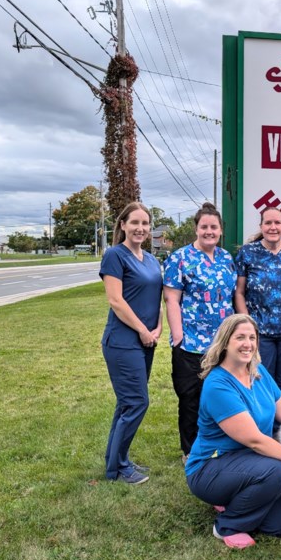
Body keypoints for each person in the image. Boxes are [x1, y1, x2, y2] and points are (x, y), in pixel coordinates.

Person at [185, 314, 281, 549]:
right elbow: (255, 441)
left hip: (249, 461)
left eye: (252, 337)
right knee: (276, 471)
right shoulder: (218, 385)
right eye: (240, 337)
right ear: (225, 342)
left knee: (278, 527)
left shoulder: (258, 371)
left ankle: (233, 498)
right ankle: (227, 524)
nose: (248, 344)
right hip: (210, 467)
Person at [164, 203, 236, 461]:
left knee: (221, 396)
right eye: (204, 227)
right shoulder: (180, 258)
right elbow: (172, 299)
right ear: (196, 229)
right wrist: (178, 336)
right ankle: (191, 450)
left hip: (223, 343)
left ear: (220, 231)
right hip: (191, 343)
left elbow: (232, 296)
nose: (209, 231)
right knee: (191, 398)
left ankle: (221, 444)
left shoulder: (227, 258)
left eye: (213, 227)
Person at [99, 202, 163, 484]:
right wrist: (141, 330)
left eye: (145, 224)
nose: (140, 228)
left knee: (126, 403)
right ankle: (120, 467)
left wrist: (159, 326)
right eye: (134, 222)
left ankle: (115, 462)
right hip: (123, 340)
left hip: (147, 340)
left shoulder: (150, 259)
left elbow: (155, 297)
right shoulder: (115, 255)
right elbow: (115, 300)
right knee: (136, 402)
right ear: (122, 225)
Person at [233, 207, 281, 404]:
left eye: (277, 223)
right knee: (260, 383)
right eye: (268, 223)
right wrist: (248, 326)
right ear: (261, 226)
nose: (273, 227)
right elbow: (239, 292)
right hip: (260, 333)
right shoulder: (248, 253)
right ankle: (259, 431)